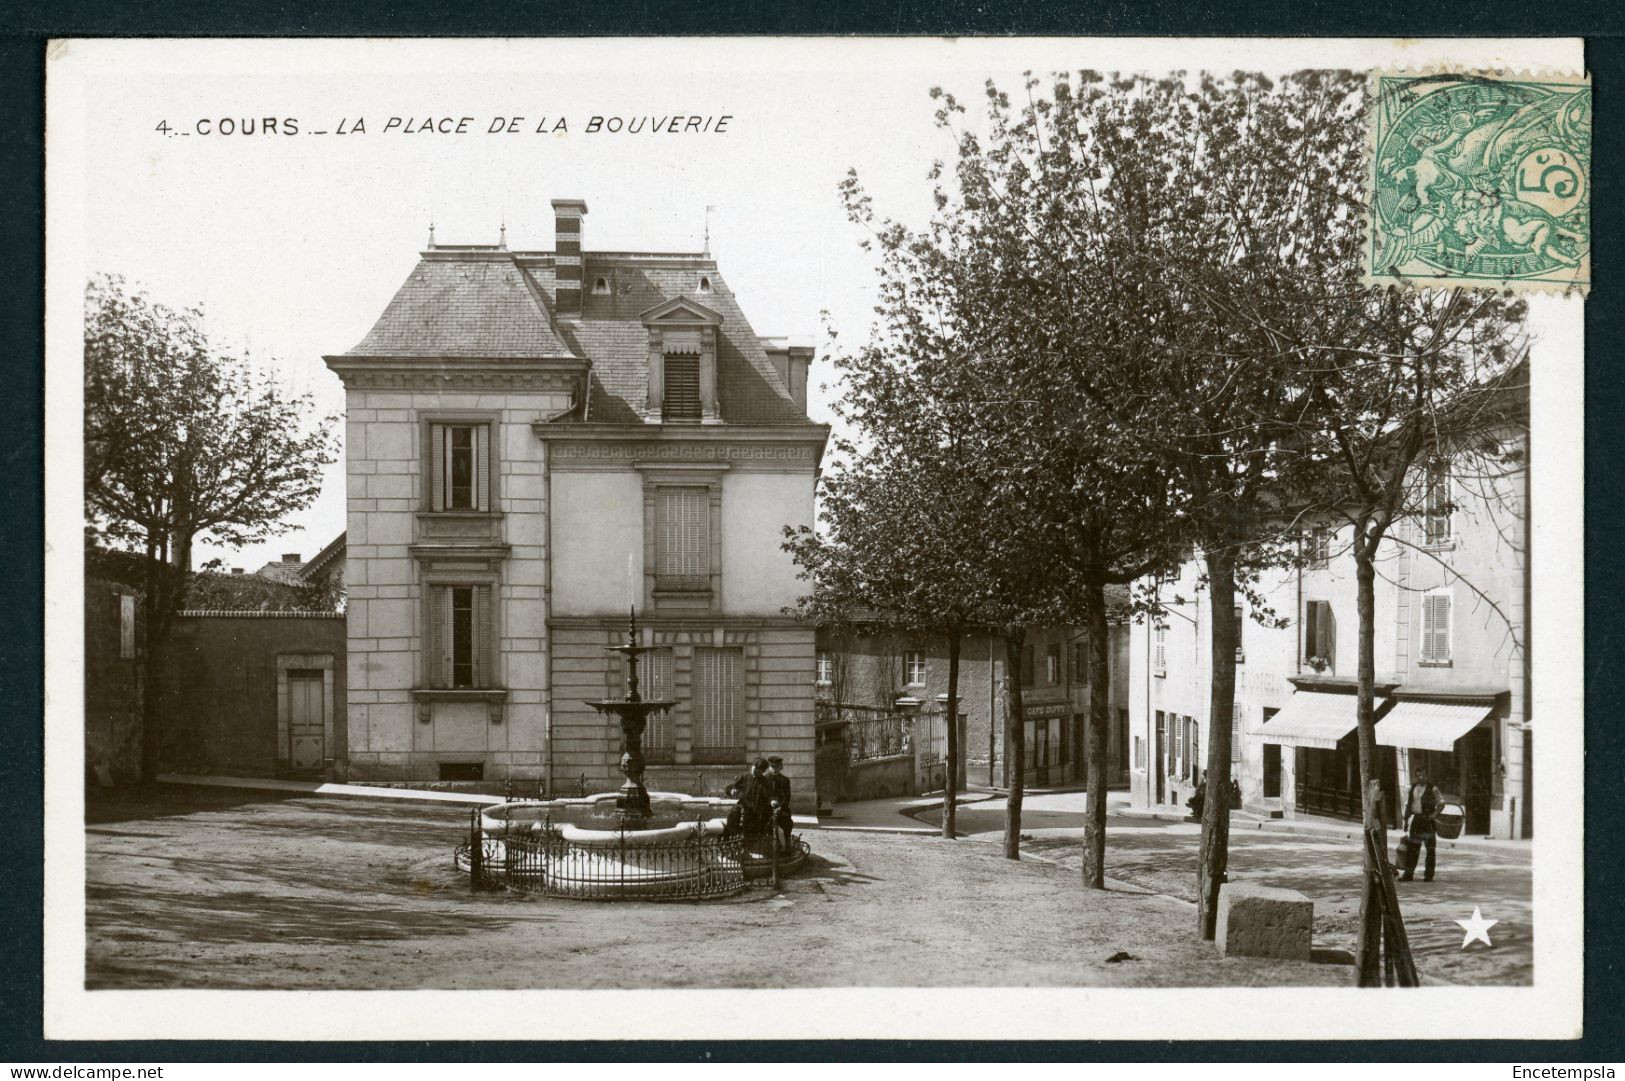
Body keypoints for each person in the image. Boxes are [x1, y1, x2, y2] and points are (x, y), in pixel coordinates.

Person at [1401, 768, 1444, 882]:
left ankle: (1429, 875)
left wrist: (1434, 815)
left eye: (1422, 776)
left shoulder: (1433, 789)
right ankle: (1408, 874)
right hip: (1417, 821)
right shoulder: (1413, 788)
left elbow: (1441, 804)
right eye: (1418, 775)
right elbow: (1409, 804)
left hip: (1428, 821)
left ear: (1427, 776)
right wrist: (1406, 821)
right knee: (1413, 849)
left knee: (1430, 849)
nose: (1420, 778)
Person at [724, 758, 771, 838]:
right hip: (743, 806)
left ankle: (745, 840)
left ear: (762, 771)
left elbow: (766, 801)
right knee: (732, 814)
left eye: (757, 768)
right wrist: (732, 790)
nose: (754, 769)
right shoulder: (746, 777)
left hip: (756, 810)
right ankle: (732, 838)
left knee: (750, 821)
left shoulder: (765, 783)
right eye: (753, 766)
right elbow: (731, 787)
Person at [764, 755, 794, 849]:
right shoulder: (764, 779)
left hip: (781, 808)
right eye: (772, 767)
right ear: (768, 767)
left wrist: (781, 806)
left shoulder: (785, 780)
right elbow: (762, 794)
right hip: (766, 807)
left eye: (776, 767)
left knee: (787, 820)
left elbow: (786, 796)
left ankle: (787, 839)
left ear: (781, 767)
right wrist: (770, 801)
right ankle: (765, 842)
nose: (774, 769)